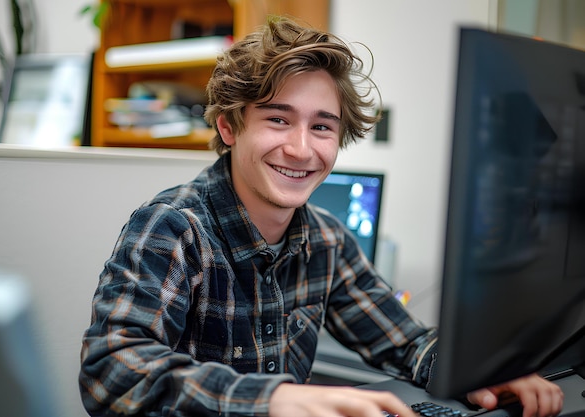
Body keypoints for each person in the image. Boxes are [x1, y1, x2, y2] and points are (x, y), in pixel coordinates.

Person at [79, 16, 563, 417]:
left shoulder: (328, 239)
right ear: (229, 126)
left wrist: (484, 371)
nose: (302, 148)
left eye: (322, 127)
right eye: (277, 119)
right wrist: (274, 400)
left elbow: (404, 341)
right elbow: (112, 371)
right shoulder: (173, 227)